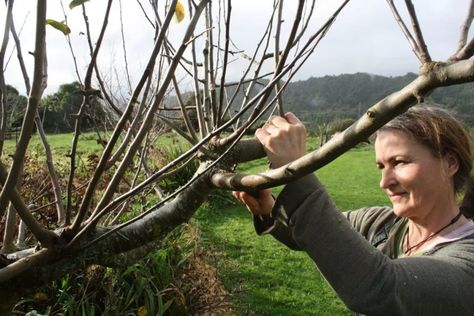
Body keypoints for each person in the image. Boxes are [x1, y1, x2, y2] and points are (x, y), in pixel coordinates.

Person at [233, 105, 474, 315]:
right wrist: (268, 207)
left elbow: (381, 287)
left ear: (450, 163)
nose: (384, 181)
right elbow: (316, 235)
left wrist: (297, 172)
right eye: (381, 166)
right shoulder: (381, 223)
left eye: (399, 162)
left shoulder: (467, 258)